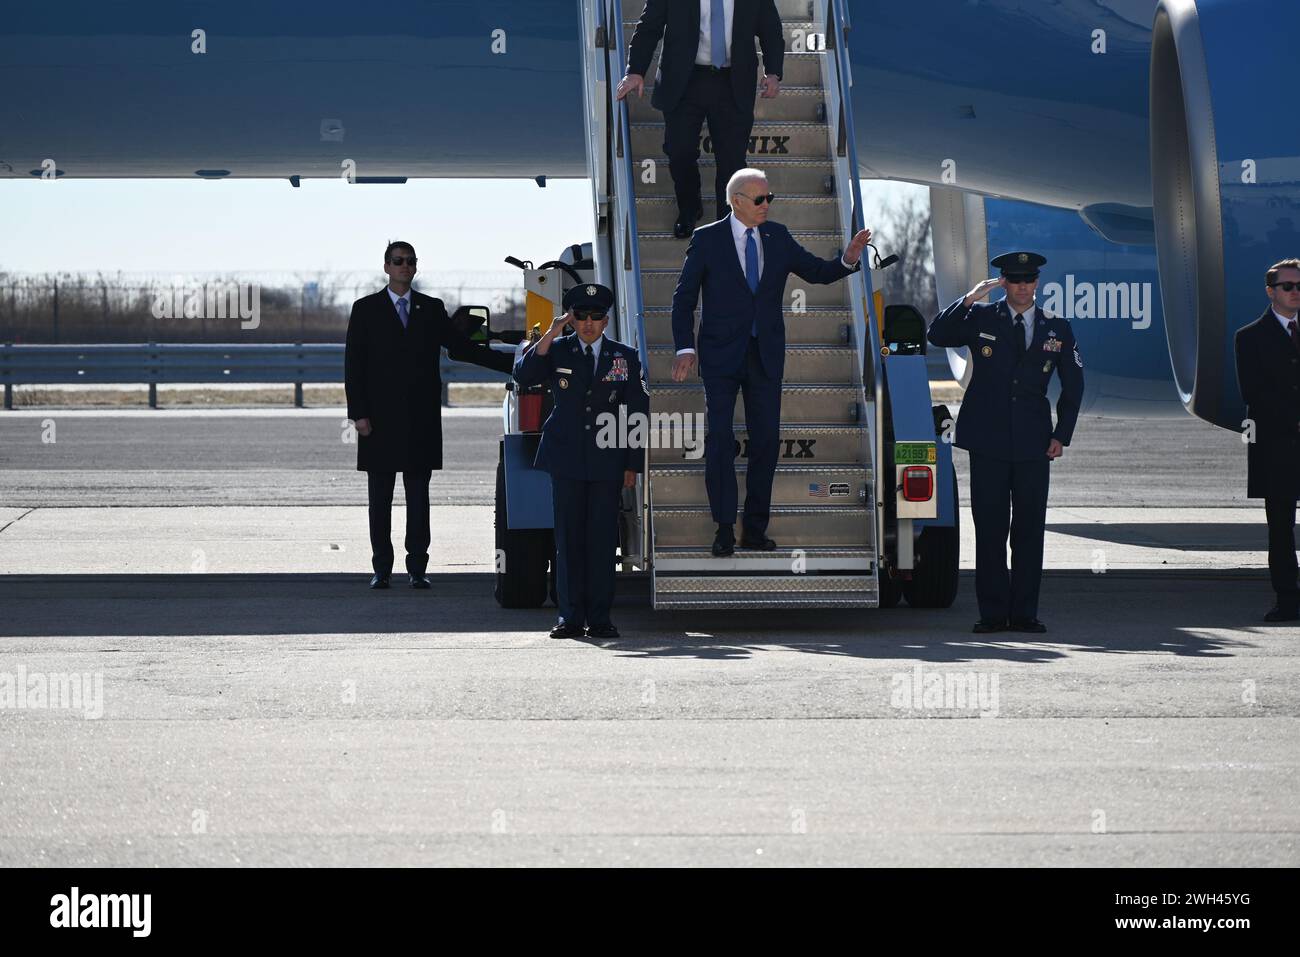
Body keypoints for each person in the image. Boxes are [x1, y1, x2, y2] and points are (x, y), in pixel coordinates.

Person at [670, 167, 871, 556]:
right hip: (720, 355)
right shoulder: (707, 239)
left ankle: (755, 529)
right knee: (721, 440)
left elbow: (815, 272)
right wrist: (685, 348)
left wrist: (846, 260)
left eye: (769, 198)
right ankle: (725, 528)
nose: (766, 205)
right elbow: (683, 298)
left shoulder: (777, 236)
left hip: (764, 355)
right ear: (737, 201)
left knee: (765, 442)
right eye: (759, 199)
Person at [927, 252, 1084, 634]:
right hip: (988, 441)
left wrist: (1061, 434)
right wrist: (969, 298)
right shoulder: (981, 318)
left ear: (1037, 283)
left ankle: (1025, 613)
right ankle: (993, 613)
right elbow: (937, 335)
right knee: (991, 529)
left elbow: (1074, 385)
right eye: (1015, 280)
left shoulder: (1056, 327)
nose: (1023, 287)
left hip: (1034, 443)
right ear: (1003, 282)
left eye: (1029, 280)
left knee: (1029, 530)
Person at [344, 241, 514, 589]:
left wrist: (515, 362)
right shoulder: (365, 309)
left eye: (409, 261)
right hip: (378, 420)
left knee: (419, 497)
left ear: (416, 267)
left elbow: (461, 348)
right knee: (380, 499)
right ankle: (382, 569)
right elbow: (353, 365)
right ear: (386, 267)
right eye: (397, 261)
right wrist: (358, 414)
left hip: (420, 419)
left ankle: (418, 567)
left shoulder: (431, 308)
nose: (404, 266)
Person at [513, 283, 649, 639]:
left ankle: (600, 618)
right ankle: (569, 617)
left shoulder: (625, 357)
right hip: (567, 458)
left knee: (602, 541)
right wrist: (553, 331)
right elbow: (524, 376)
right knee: (568, 540)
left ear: (606, 320)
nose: (589, 324)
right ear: (572, 319)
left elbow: (637, 411)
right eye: (581, 317)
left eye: (596, 317)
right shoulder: (557, 350)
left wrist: (632, 464)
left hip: (608, 460)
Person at [617, 0, 784, 237]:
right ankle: (689, 208)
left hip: (733, 81)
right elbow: (649, 27)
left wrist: (774, 71)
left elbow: (770, 28)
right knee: (679, 151)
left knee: (731, 160)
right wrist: (635, 71)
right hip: (685, 80)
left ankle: (725, 222)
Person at [1234, 257, 1300, 621]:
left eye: (1299, 286)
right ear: (1271, 292)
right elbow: (1253, 391)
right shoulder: (1250, 337)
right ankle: (1287, 599)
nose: (1294, 293)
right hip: (1276, 445)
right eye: (1287, 286)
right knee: (1280, 528)